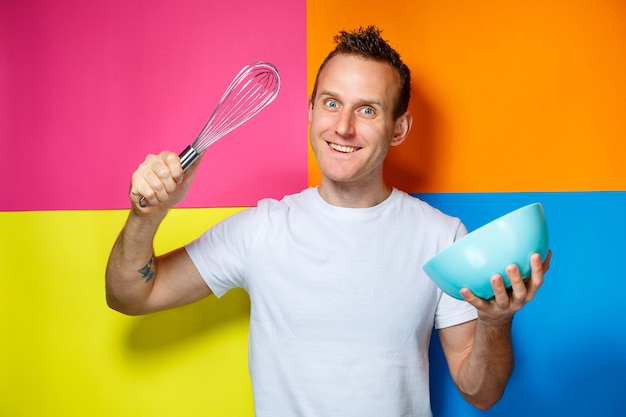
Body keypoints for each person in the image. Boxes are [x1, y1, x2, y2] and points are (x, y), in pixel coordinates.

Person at [106, 25, 551, 416]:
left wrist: (496, 322)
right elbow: (130, 295)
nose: (343, 127)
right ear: (310, 111)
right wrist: (147, 215)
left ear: (399, 128)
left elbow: (482, 394)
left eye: (368, 110)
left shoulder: (441, 237)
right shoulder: (260, 231)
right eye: (332, 103)